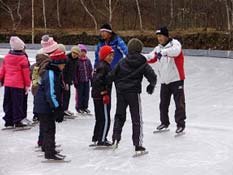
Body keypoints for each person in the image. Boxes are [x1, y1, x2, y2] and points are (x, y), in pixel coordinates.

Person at [109, 38, 157, 152]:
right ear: (140, 49)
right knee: (136, 118)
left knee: (119, 116)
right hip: (133, 93)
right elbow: (152, 76)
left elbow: (112, 75)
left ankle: (115, 138)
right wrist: (151, 85)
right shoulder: (142, 61)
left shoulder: (122, 62)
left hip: (121, 92)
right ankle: (138, 144)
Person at [145, 26, 187, 133]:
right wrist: (139, 57)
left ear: (166, 36)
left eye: (161, 36)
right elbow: (151, 57)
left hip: (176, 79)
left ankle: (180, 124)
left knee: (179, 103)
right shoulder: (158, 48)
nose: (159, 38)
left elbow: (176, 52)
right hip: (165, 81)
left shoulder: (175, 44)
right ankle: (164, 122)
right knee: (163, 103)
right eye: (158, 36)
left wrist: (164, 52)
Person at [33, 50, 67, 160]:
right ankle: (49, 152)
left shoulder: (53, 72)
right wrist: (57, 108)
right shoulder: (51, 74)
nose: (64, 66)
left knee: (46, 127)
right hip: (44, 106)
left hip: (44, 105)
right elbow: (51, 94)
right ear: (58, 63)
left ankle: (46, 147)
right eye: (63, 64)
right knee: (49, 128)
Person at [32, 35, 59, 148]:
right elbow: (46, 81)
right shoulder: (46, 64)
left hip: (39, 93)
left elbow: (34, 78)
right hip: (43, 94)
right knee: (47, 123)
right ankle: (45, 143)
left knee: (44, 122)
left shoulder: (39, 62)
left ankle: (43, 141)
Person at [0, 36, 31, 128]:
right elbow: (26, 73)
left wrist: (1, 79)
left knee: (8, 102)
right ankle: (17, 121)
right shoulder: (22, 58)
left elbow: (3, 70)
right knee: (17, 103)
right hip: (18, 85)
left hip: (8, 84)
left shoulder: (7, 56)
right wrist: (27, 85)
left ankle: (8, 121)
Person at [91, 45, 114, 146]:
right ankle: (102, 138)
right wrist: (104, 92)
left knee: (100, 118)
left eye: (112, 55)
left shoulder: (101, 65)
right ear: (103, 55)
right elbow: (96, 81)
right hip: (101, 97)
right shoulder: (103, 67)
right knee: (105, 118)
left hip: (97, 96)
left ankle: (96, 137)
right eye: (109, 55)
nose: (111, 58)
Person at [62, 45, 81, 116]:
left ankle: (65, 108)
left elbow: (74, 71)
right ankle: (63, 109)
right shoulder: (67, 59)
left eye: (76, 54)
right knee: (65, 95)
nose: (75, 55)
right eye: (74, 53)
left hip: (69, 80)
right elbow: (64, 71)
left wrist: (73, 80)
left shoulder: (76, 61)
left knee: (68, 95)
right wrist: (65, 81)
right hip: (65, 80)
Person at [74, 44, 93, 114]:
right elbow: (75, 73)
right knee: (79, 95)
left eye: (84, 51)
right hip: (79, 81)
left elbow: (90, 70)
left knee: (86, 95)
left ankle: (85, 107)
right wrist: (75, 81)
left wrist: (91, 79)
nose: (83, 53)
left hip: (86, 80)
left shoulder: (88, 60)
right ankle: (78, 107)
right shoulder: (77, 61)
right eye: (81, 51)